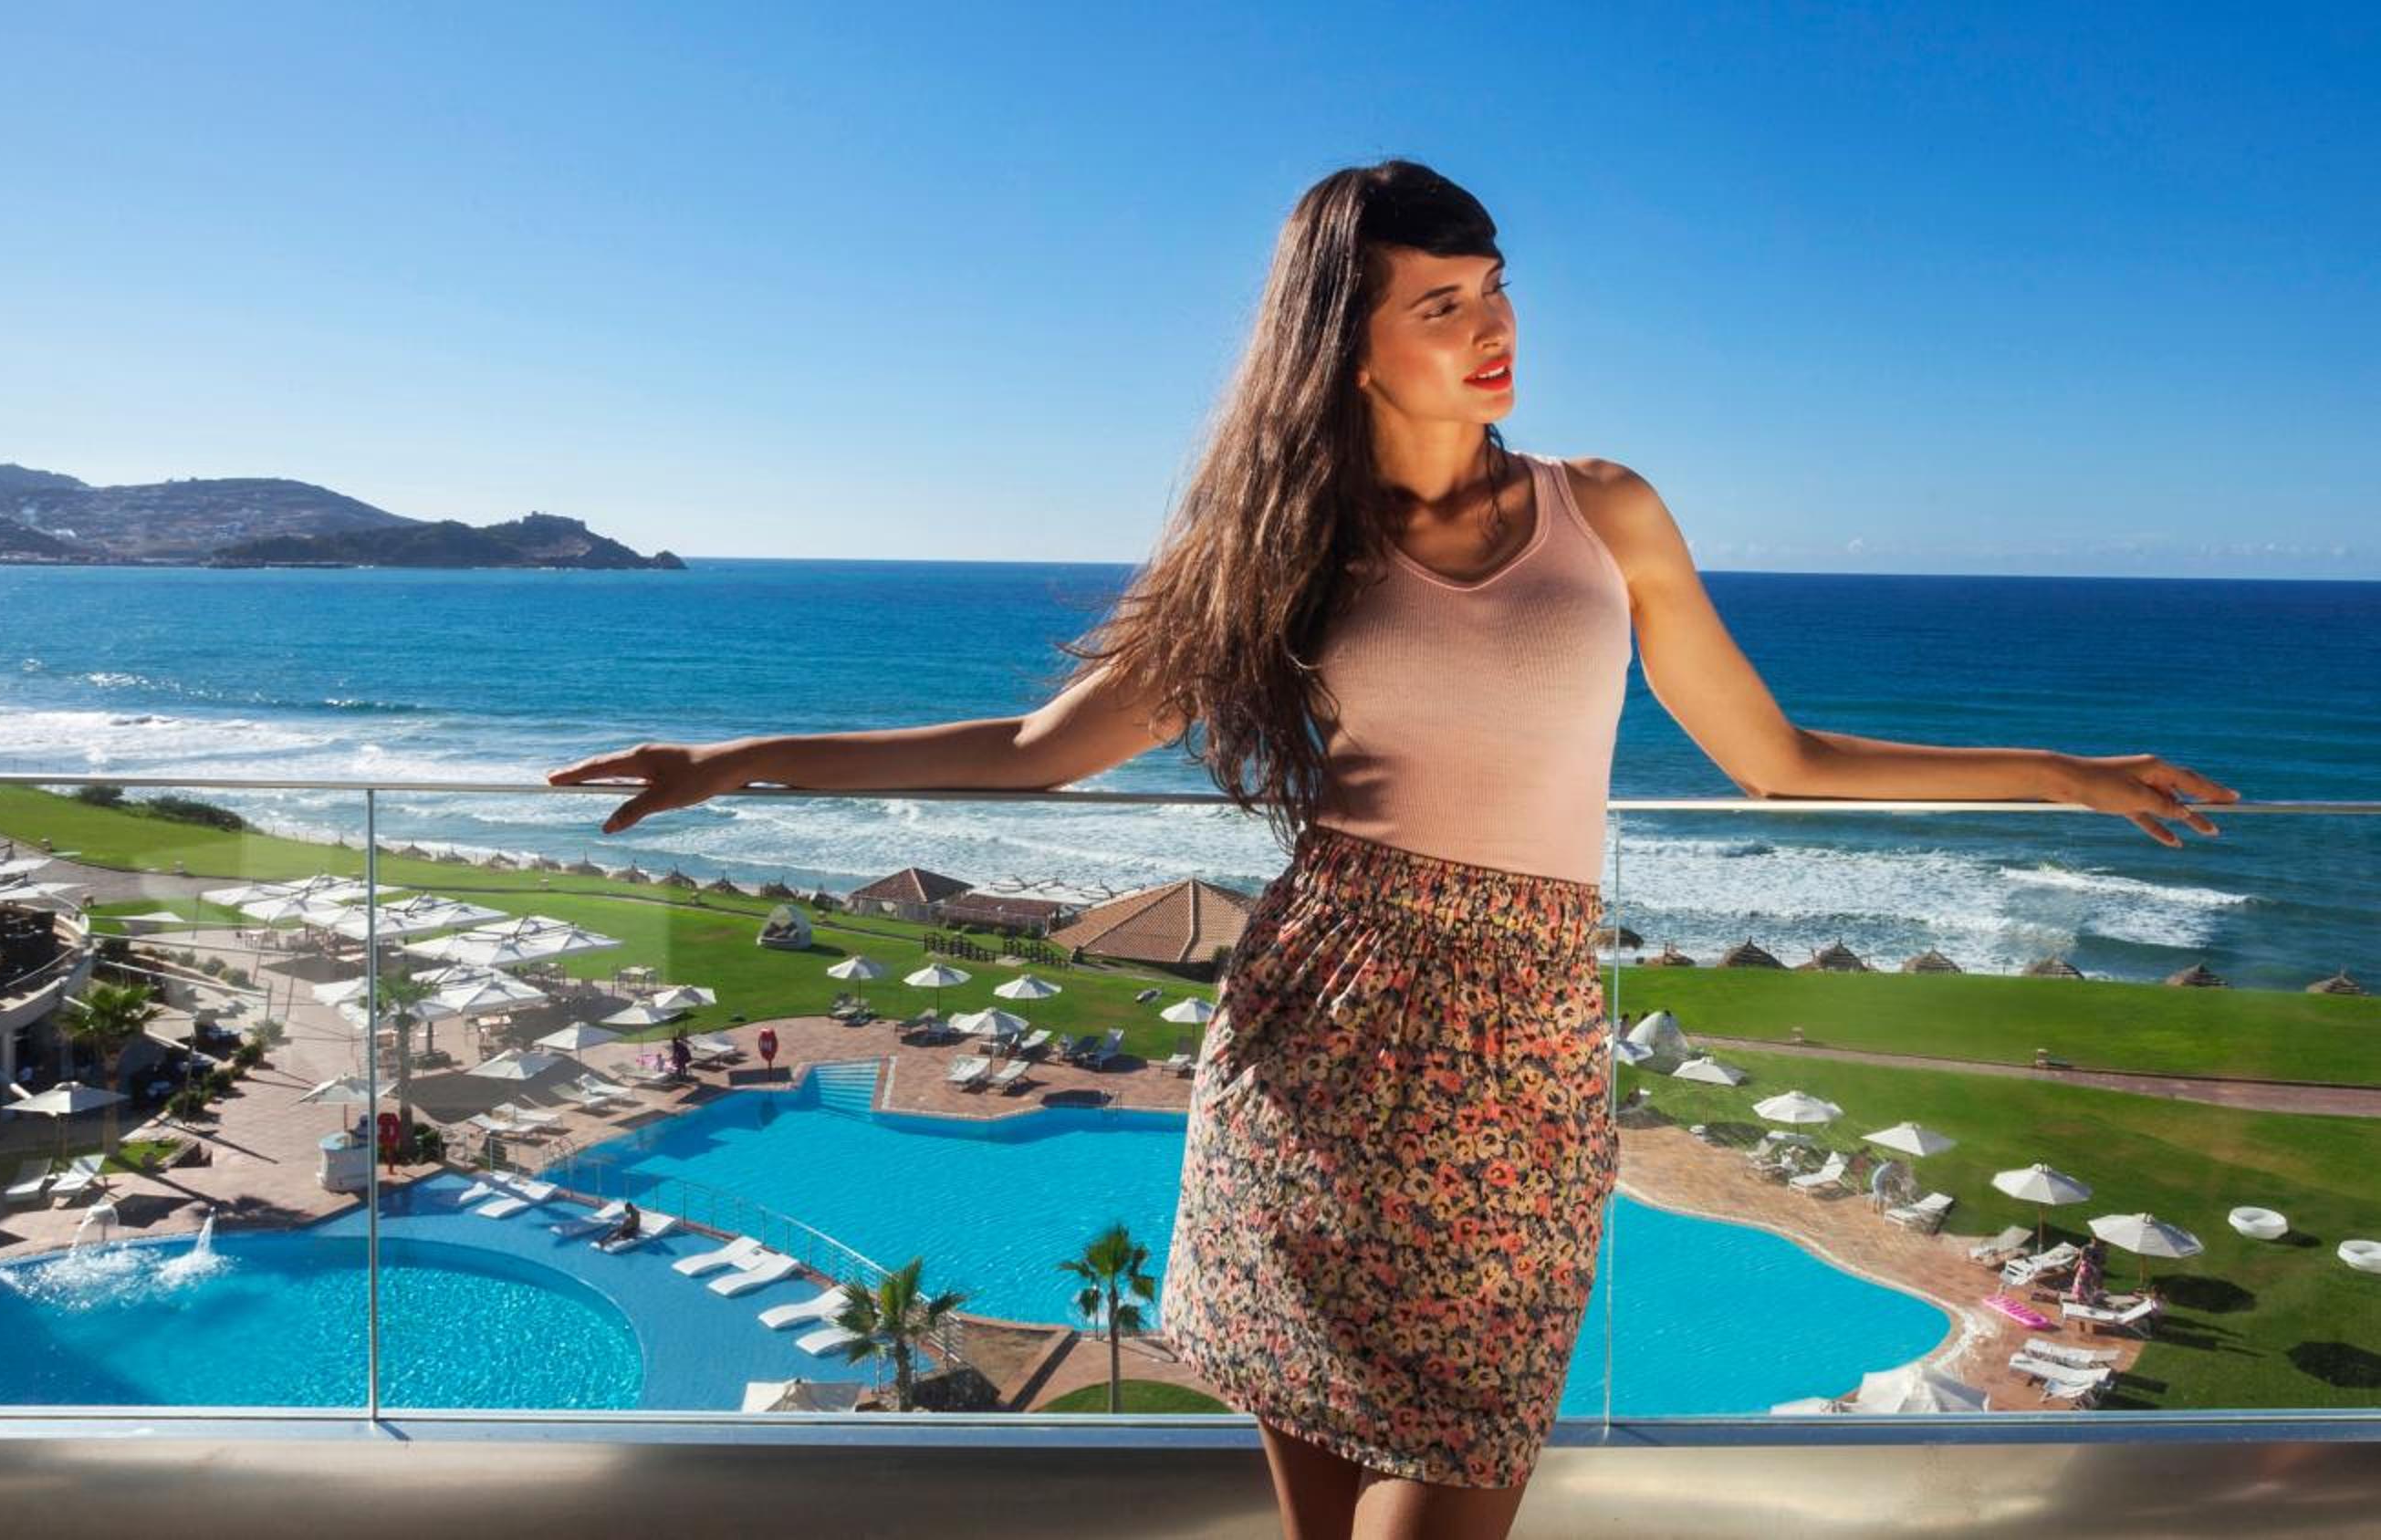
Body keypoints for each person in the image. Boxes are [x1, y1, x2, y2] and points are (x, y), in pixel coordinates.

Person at [545, 160, 2239, 1540]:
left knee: (1458, 1475)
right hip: (1314, 1048)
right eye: (1442, 305)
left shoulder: (1606, 510)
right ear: (1348, 344)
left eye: (1495, 290)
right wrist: (740, 759)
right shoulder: (1279, 547)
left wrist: (2060, 773)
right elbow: (1047, 749)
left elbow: (1775, 760)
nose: (1493, 329)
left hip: (1525, 1054)